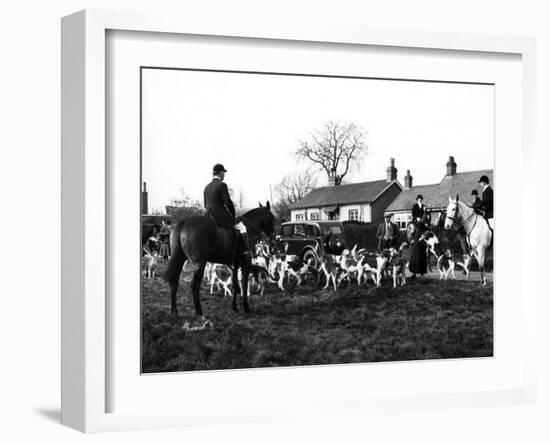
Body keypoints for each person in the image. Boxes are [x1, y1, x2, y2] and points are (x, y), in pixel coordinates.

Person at [203, 163, 251, 262]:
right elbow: (228, 202)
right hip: (220, 216)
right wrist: (233, 214)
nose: (224, 175)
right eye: (223, 173)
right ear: (220, 173)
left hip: (208, 217)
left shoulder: (206, 187)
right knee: (242, 227)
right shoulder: (222, 185)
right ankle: (246, 251)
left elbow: (205, 204)